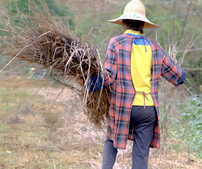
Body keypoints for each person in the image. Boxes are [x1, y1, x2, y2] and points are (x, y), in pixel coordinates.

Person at [78, 0, 187, 168]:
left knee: (111, 139)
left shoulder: (117, 42)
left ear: (124, 22)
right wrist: (182, 75)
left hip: (123, 106)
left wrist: (88, 84)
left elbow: (108, 76)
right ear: (143, 24)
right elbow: (178, 76)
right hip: (148, 109)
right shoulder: (154, 47)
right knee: (141, 155)